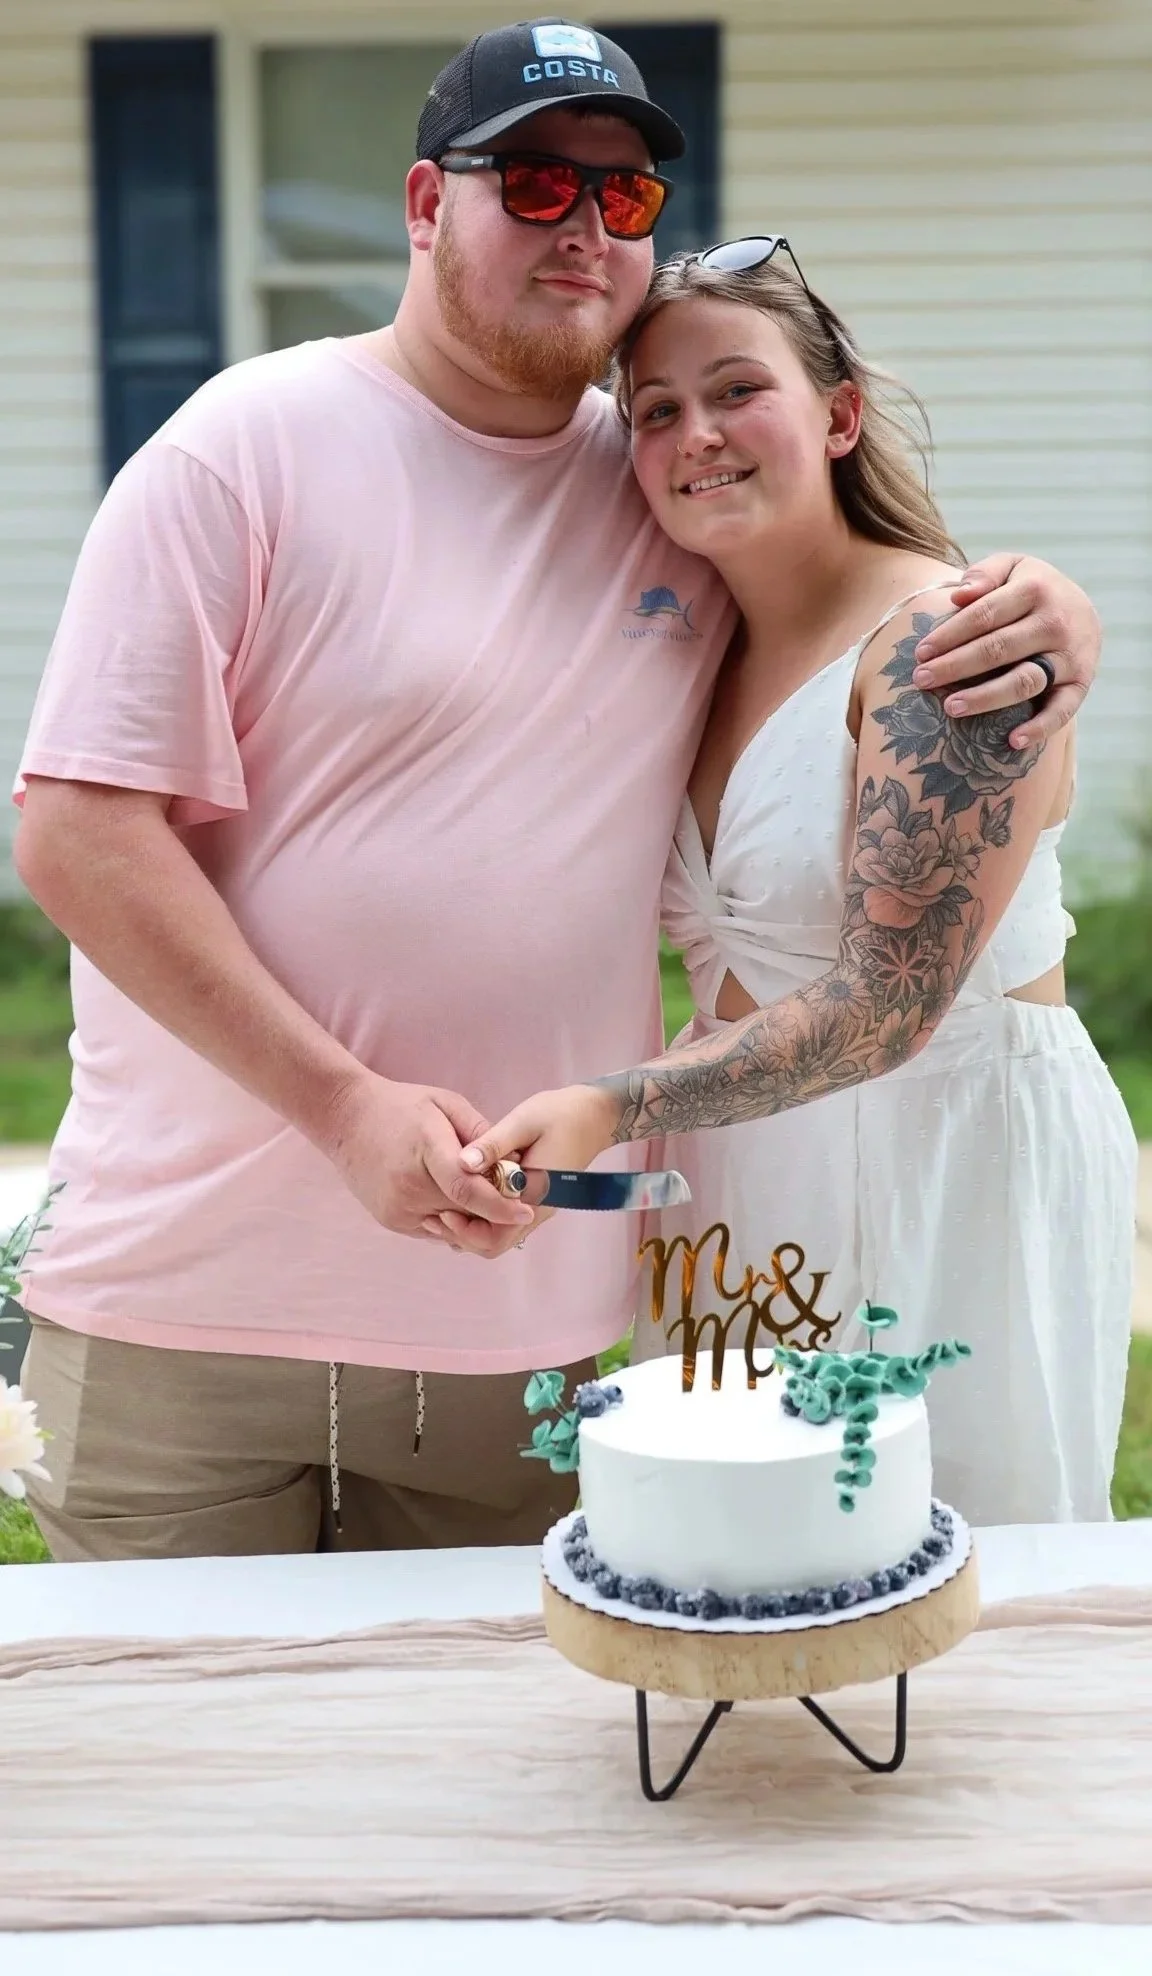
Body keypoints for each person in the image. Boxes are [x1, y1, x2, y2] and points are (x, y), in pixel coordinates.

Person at [12, 20, 1104, 1563]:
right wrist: (342, 1107)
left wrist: (1049, 602)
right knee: (169, 1767)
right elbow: (75, 831)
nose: (585, 223)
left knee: (537, 1765)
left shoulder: (662, 487)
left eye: (625, 196)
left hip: (519, 1303)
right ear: (419, 204)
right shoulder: (239, 452)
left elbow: (873, 603)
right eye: (531, 181)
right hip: (189, 1298)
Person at [459, 240, 1137, 1527]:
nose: (696, 432)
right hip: (739, 1173)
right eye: (656, 409)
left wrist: (609, 1104)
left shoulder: (951, 644)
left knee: (946, 1562)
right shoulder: (687, 658)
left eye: (735, 390)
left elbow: (888, 1005)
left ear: (838, 415)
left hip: (950, 1156)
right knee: (736, 1551)